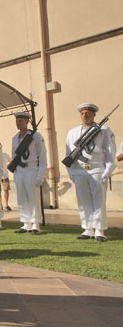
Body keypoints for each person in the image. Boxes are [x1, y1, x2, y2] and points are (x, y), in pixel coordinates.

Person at [65, 103, 116, 242]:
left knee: (98, 201)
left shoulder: (104, 130)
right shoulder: (73, 132)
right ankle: (87, 228)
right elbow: (69, 154)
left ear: (94, 115)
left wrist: (107, 171)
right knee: (83, 201)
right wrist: (71, 172)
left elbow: (110, 152)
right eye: (82, 113)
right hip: (80, 170)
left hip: (97, 169)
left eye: (88, 113)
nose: (85, 116)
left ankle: (99, 230)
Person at [10, 112, 47, 235]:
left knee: (33, 198)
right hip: (19, 170)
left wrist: (41, 174)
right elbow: (14, 156)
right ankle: (26, 223)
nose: (18, 123)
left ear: (27, 122)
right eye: (17, 120)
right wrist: (15, 174)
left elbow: (42, 156)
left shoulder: (36, 136)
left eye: (21, 120)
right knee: (22, 198)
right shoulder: (15, 138)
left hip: (31, 169)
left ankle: (35, 224)